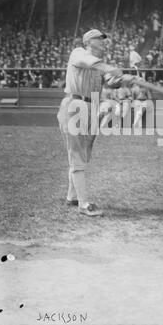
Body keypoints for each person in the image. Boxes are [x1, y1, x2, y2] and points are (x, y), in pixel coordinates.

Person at [57, 29, 134, 217]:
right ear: (89, 41)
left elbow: (111, 81)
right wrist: (112, 70)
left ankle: (72, 197)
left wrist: (126, 79)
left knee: (83, 155)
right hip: (75, 105)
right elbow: (97, 65)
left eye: (103, 39)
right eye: (100, 39)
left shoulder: (101, 66)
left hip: (91, 108)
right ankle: (83, 204)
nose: (103, 42)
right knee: (77, 156)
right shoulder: (78, 53)